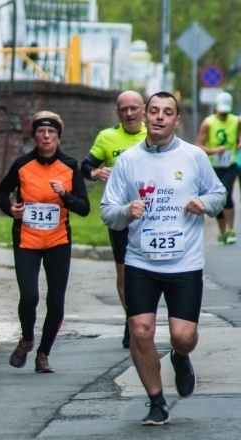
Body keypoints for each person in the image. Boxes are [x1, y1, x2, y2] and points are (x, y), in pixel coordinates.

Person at [101, 92, 226, 426]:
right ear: (145, 115)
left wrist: (205, 204)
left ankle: (180, 357)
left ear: (176, 120)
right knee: (140, 330)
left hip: (185, 264)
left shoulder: (194, 156)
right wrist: (126, 211)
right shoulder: (128, 160)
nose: (159, 117)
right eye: (154, 111)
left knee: (183, 336)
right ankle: (156, 401)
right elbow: (108, 211)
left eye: (167, 112)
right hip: (141, 262)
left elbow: (219, 193)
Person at [0, 111, 90, 374]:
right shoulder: (22, 164)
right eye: (41, 132)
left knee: (56, 301)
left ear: (58, 137)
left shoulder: (70, 165)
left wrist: (66, 195)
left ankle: (43, 354)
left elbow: (84, 208)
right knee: (29, 296)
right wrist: (10, 208)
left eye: (51, 132)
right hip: (27, 240)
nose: (46, 136)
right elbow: (2, 191)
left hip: (58, 241)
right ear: (35, 136)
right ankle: (27, 338)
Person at [81, 91, 147, 349]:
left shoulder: (154, 134)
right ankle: (132, 319)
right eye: (124, 109)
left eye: (134, 108)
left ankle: (145, 317)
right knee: (124, 270)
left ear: (143, 109)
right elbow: (86, 167)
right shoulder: (107, 137)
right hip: (120, 214)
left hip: (152, 215)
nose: (129, 113)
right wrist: (97, 172)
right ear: (117, 112)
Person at [195, 90, 241, 245]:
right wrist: (214, 150)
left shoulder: (236, 121)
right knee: (216, 198)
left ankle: (230, 229)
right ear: (216, 108)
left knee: (226, 193)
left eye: (226, 112)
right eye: (221, 112)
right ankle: (222, 232)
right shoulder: (208, 123)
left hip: (230, 164)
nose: (224, 115)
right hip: (213, 166)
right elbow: (199, 146)